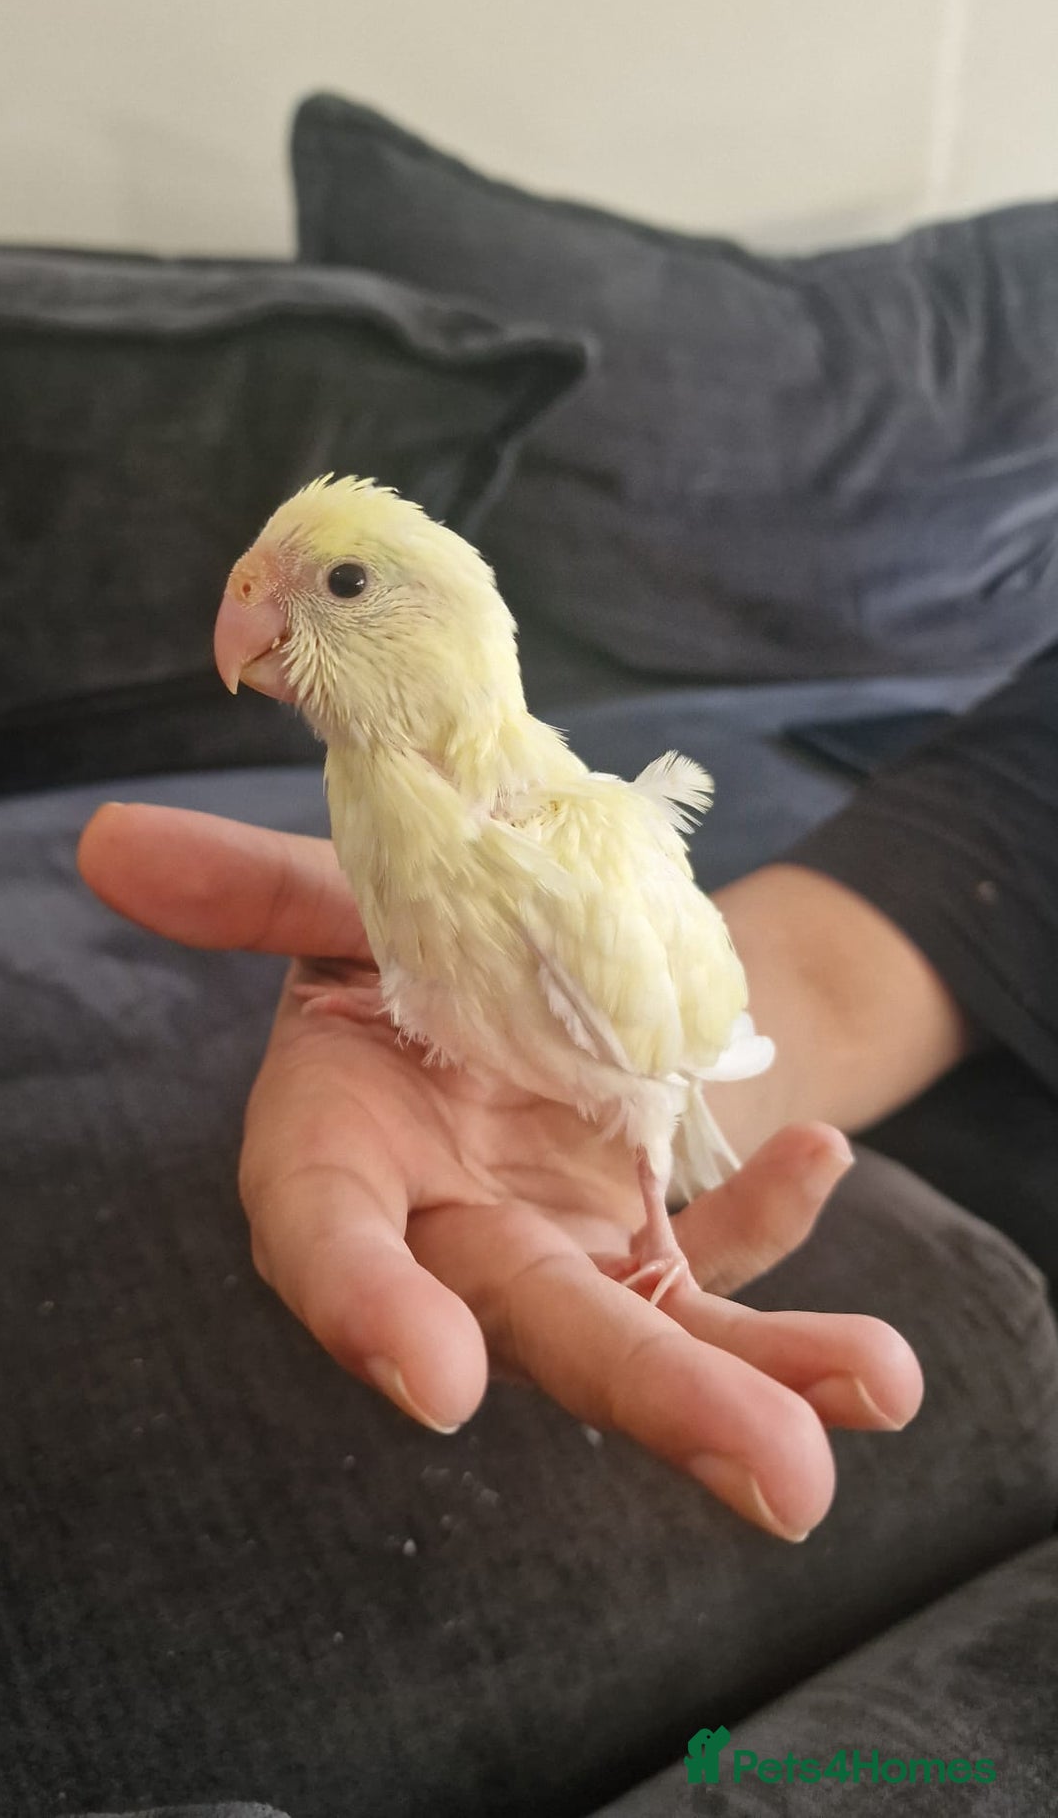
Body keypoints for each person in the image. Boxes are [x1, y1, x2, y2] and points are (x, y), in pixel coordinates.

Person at [77, 640, 1058, 1546]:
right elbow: (1003, 819)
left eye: (338, 583)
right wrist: (435, 1005)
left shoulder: (545, 835)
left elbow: (652, 1033)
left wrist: (655, 1220)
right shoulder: (402, 799)